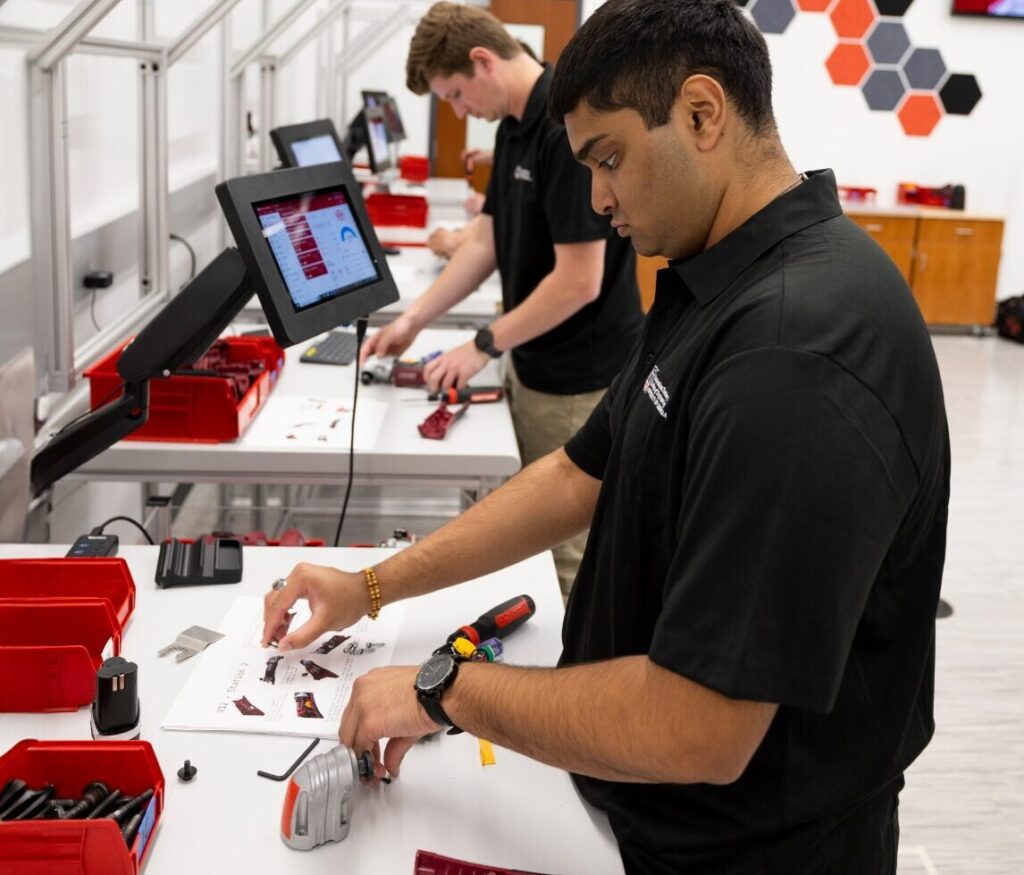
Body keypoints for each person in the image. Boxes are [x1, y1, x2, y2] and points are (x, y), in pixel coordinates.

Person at [264, 0, 950, 871]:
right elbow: (578, 473)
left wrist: (443, 691)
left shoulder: (796, 353)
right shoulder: (718, 277)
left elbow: (701, 724)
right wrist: (371, 585)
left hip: (749, 847)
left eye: (610, 159)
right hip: (638, 802)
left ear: (703, 113)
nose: (594, 197)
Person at [360, 2, 643, 598]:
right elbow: (486, 239)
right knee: (532, 530)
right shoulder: (514, 129)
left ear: (483, 61)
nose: (461, 111)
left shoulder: (562, 130)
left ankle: (570, 683)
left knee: (565, 548)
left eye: (456, 94)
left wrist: (482, 344)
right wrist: (414, 318)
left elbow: (579, 281)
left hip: (577, 378)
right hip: (535, 362)